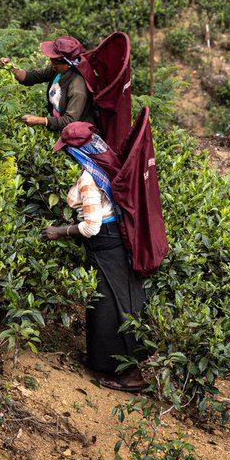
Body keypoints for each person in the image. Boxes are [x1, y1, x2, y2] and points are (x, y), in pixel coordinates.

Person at [43, 121, 146, 392]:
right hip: (116, 243)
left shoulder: (88, 179)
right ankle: (109, 364)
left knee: (112, 309)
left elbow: (91, 226)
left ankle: (130, 375)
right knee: (119, 304)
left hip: (105, 245)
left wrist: (60, 231)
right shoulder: (107, 165)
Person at [0, 35, 96, 137]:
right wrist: (10, 67)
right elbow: (30, 77)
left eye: (55, 62)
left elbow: (70, 121)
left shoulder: (77, 88)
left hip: (79, 135)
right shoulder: (58, 69)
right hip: (59, 129)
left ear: (68, 64)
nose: (51, 64)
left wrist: (41, 121)